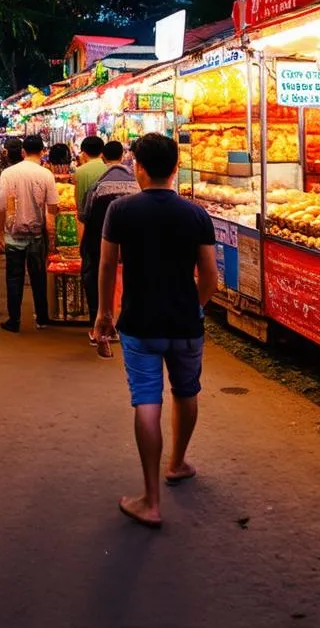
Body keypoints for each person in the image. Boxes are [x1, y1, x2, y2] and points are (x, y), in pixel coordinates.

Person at [94, 133, 218, 530]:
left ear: (139, 169)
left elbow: (107, 265)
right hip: (185, 324)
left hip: (139, 322)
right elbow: (211, 277)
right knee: (186, 391)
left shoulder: (121, 210)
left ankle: (151, 500)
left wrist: (103, 314)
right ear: (176, 168)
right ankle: (177, 463)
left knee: (147, 401)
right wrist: (194, 307)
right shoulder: (196, 213)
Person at [0, 135, 59, 333]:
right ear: (42, 152)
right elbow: (53, 206)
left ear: (23, 152)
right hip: (37, 235)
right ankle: (42, 318)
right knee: (38, 278)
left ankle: (14, 320)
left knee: (14, 278)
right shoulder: (46, 174)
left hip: (13, 235)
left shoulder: (8, 173)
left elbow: (1, 206)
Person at [80, 140, 139, 354]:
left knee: (97, 276)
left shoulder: (97, 187)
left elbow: (85, 216)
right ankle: (127, 324)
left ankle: (101, 326)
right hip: (134, 245)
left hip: (100, 242)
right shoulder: (138, 185)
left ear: (103, 158)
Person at [74, 135, 106, 218]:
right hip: (106, 215)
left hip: (90, 218)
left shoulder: (80, 171)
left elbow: (80, 201)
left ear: (83, 153)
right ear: (102, 153)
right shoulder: (108, 168)